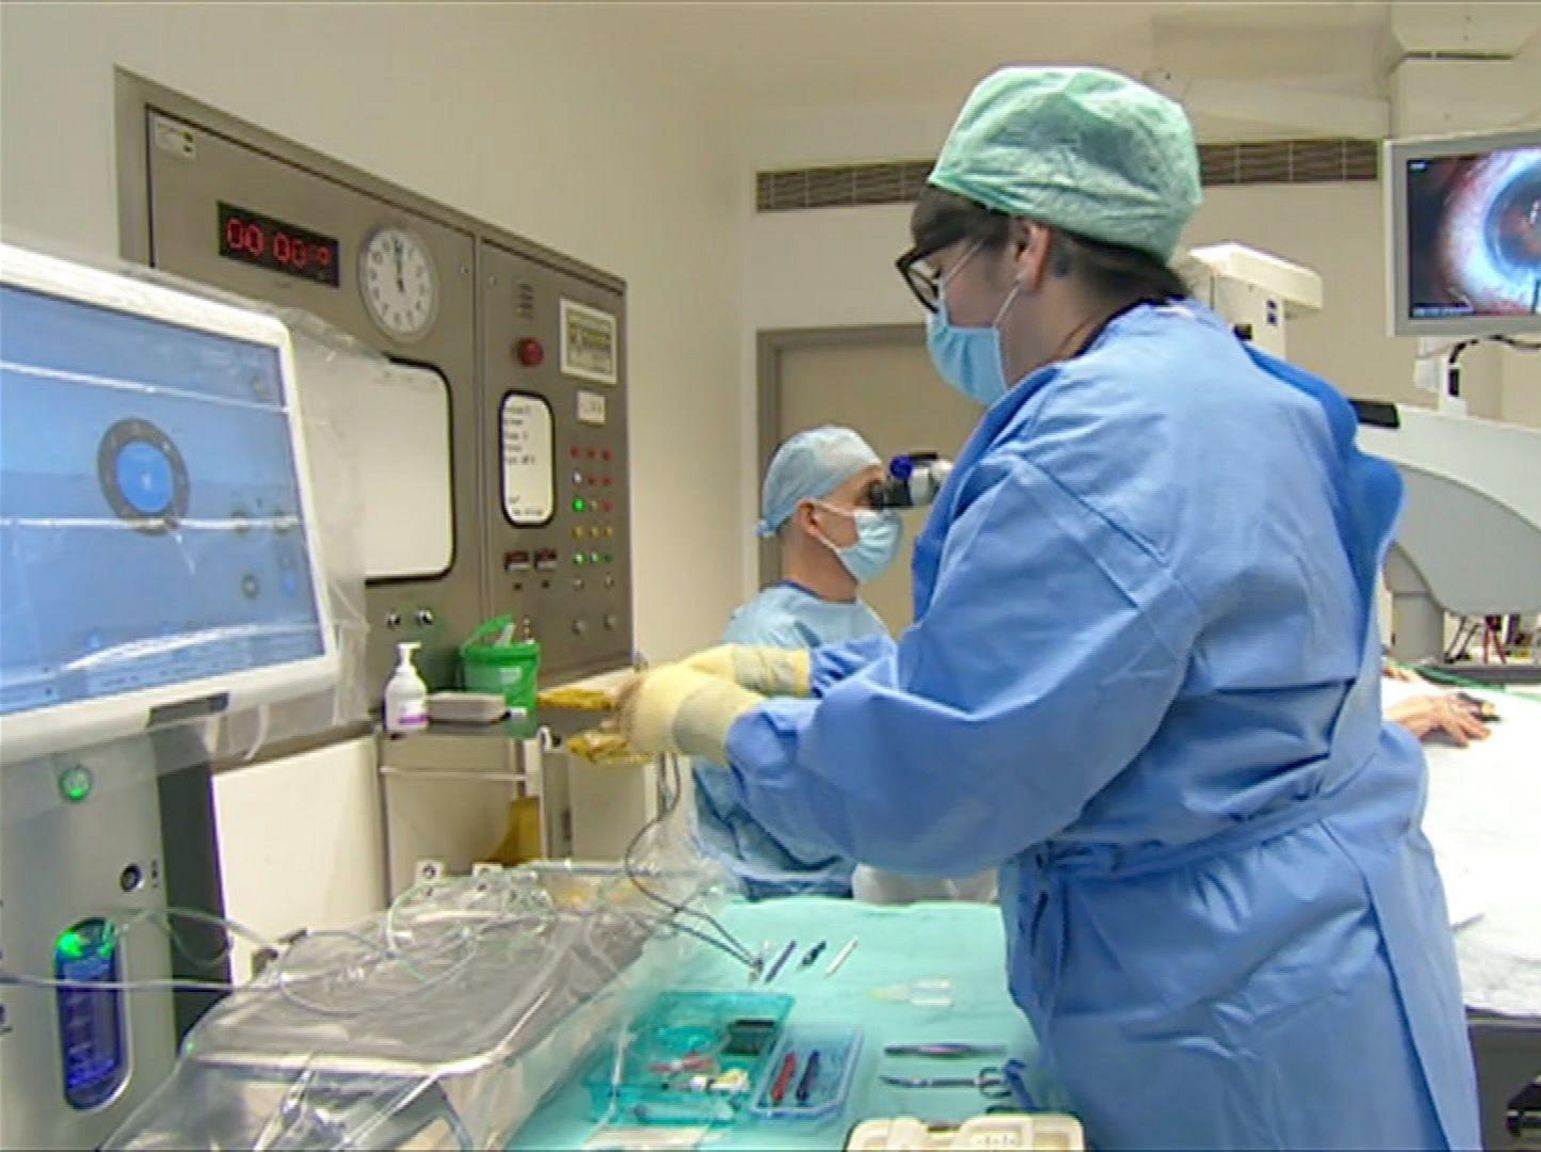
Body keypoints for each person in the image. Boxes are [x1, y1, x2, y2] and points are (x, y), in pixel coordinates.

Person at [621, 66, 1479, 1149]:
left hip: (1227, 1008)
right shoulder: (1221, 387)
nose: (953, 315)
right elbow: (1071, 671)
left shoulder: (1101, 439)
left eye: (946, 275)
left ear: (1024, 248)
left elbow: (947, 767)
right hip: (1299, 947)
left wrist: (720, 726)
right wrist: (796, 674)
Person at [695, 427, 995, 905]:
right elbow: (778, 797)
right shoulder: (764, 636)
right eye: (869, 499)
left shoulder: (865, 623)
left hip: (860, 885)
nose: (886, 517)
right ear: (812, 518)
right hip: (787, 899)